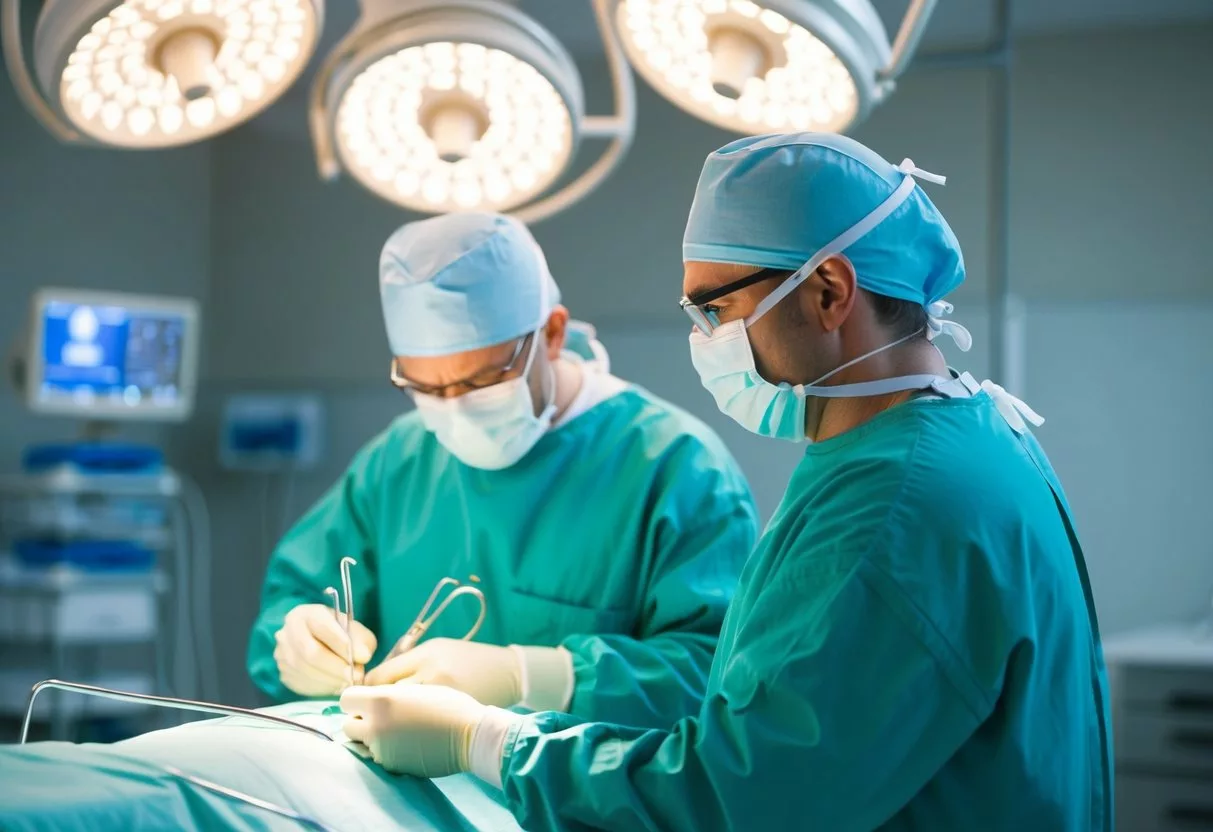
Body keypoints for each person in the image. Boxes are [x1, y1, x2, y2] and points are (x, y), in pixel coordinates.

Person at [338, 134, 1114, 831]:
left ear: (829, 292)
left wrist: (488, 740)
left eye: (717, 308)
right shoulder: (964, 434)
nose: (703, 340)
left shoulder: (896, 508)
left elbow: (740, 800)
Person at [247, 212, 758, 730]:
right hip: (398, 801)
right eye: (427, 388)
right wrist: (297, 639)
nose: (456, 410)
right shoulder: (400, 457)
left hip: (581, 808)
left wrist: (538, 676)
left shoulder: (677, 468)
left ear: (552, 334)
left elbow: (716, 677)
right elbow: (294, 597)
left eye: (483, 380)